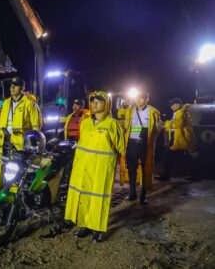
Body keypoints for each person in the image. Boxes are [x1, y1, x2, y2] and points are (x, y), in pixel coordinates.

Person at [64, 91, 125, 243]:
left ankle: (97, 228)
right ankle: (84, 225)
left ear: (107, 105)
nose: (94, 104)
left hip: (101, 168)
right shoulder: (85, 123)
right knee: (84, 195)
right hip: (84, 167)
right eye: (92, 101)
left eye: (98, 101)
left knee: (99, 197)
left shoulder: (113, 124)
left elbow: (120, 147)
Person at [0, 77, 42, 190]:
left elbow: (37, 127)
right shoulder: (6, 103)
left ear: (22, 88)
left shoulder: (30, 104)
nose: (12, 87)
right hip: (4, 142)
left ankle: (15, 196)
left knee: (16, 170)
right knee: (2, 167)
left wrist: (33, 144)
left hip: (20, 144)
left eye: (15, 85)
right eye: (11, 85)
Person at [120, 91, 161, 204]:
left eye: (141, 98)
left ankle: (143, 194)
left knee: (145, 170)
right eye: (137, 98)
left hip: (145, 145)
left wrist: (149, 136)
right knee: (131, 169)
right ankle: (132, 192)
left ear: (147, 99)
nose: (138, 100)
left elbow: (158, 128)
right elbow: (127, 126)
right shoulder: (130, 111)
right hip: (131, 143)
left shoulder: (153, 112)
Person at [156, 98, 195, 181]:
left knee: (169, 157)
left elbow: (177, 124)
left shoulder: (181, 112)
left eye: (172, 105)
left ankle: (165, 176)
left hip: (180, 140)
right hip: (178, 139)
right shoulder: (178, 112)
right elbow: (175, 126)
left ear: (177, 104)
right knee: (185, 157)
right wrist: (167, 125)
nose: (171, 107)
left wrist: (165, 124)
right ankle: (195, 175)